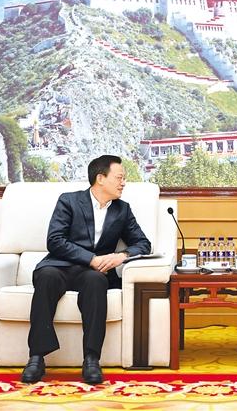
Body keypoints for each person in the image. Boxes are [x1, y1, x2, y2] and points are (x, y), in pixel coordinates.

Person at [20, 155, 151, 384]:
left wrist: (120, 256)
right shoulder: (69, 201)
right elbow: (55, 240)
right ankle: (36, 358)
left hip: (93, 273)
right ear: (100, 178)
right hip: (60, 265)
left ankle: (91, 359)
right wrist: (90, 258)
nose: (123, 183)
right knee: (46, 277)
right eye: (119, 178)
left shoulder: (122, 210)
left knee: (96, 281)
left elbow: (143, 243)